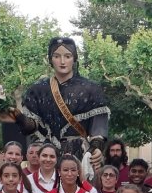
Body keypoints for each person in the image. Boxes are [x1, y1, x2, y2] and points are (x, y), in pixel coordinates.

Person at [7, 37, 109, 170]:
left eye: (67, 56)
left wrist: (97, 147)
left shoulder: (91, 89)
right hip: (48, 155)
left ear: (74, 58)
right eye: (57, 56)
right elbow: (33, 128)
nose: (62, 61)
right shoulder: (37, 90)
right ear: (50, 59)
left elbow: (98, 125)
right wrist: (19, 117)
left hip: (80, 153)